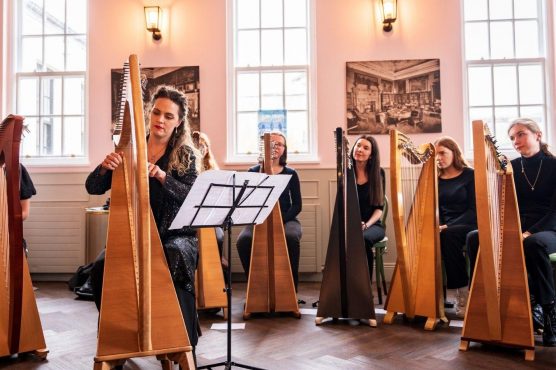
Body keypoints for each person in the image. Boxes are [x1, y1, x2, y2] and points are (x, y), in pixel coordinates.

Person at [85, 86, 201, 349]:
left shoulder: (184, 154)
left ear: (179, 122)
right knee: (102, 268)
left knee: (174, 257)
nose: (161, 120)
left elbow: (190, 196)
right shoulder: (129, 148)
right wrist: (105, 167)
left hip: (175, 235)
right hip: (134, 234)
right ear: (149, 113)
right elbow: (92, 187)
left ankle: (179, 341)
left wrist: (161, 176)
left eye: (169, 116)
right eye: (157, 113)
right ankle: (119, 338)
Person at [467, 118, 556, 346]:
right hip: (516, 227)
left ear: (538, 134)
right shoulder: (511, 167)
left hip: (548, 228)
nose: (516, 141)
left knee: (533, 244)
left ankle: (549, 315)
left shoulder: (554, 165)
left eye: (521, 134)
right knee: (475, 236)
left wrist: (528, 232)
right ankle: (483, 304)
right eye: (513, 137)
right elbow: (502, 203)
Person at [236, 131, 302, 291]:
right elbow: (248, 202)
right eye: (272, 143)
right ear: (264, 146)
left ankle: (291, 289)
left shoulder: (291, 173)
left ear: (284, 149)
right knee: (243, 241)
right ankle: (255, 288)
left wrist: (280, 221)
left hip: (287, 219)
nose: (275, 147)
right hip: (258, 220)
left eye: (279, 144)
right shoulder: (253, 172)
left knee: (291, 237)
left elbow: (297, 205)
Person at [435, 136, 476, 317]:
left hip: (469, 223)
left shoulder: (470, 174)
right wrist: (439, 225)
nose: (439, 158)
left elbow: (474, 209)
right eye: (436, 155)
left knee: (448, 235)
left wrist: (448, 225)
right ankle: (430, 296)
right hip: (446, 227)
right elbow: (437, 209)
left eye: (443, 153)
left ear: (454, 152)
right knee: (438, 236)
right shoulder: (436, 179)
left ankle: (463, 294)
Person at [191, 131, 227, 276]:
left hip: (210, 216)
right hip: (192, 216)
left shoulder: (212, 168)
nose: (202, 148)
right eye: (198, 146)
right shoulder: (186, 167)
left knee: (218, 235)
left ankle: (217, 264)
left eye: (205, 145)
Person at [351, 135, 385, 284]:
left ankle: (364, 287)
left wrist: (366, 224)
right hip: (351, 222)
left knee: (363, 239)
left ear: (371, 154)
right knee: (341, 240)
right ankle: (348, 285)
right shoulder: (346, 172)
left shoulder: (378, 173)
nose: (360, 149)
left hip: (373, 225)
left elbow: (379, 208)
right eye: (358, 145)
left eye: (366, 148)